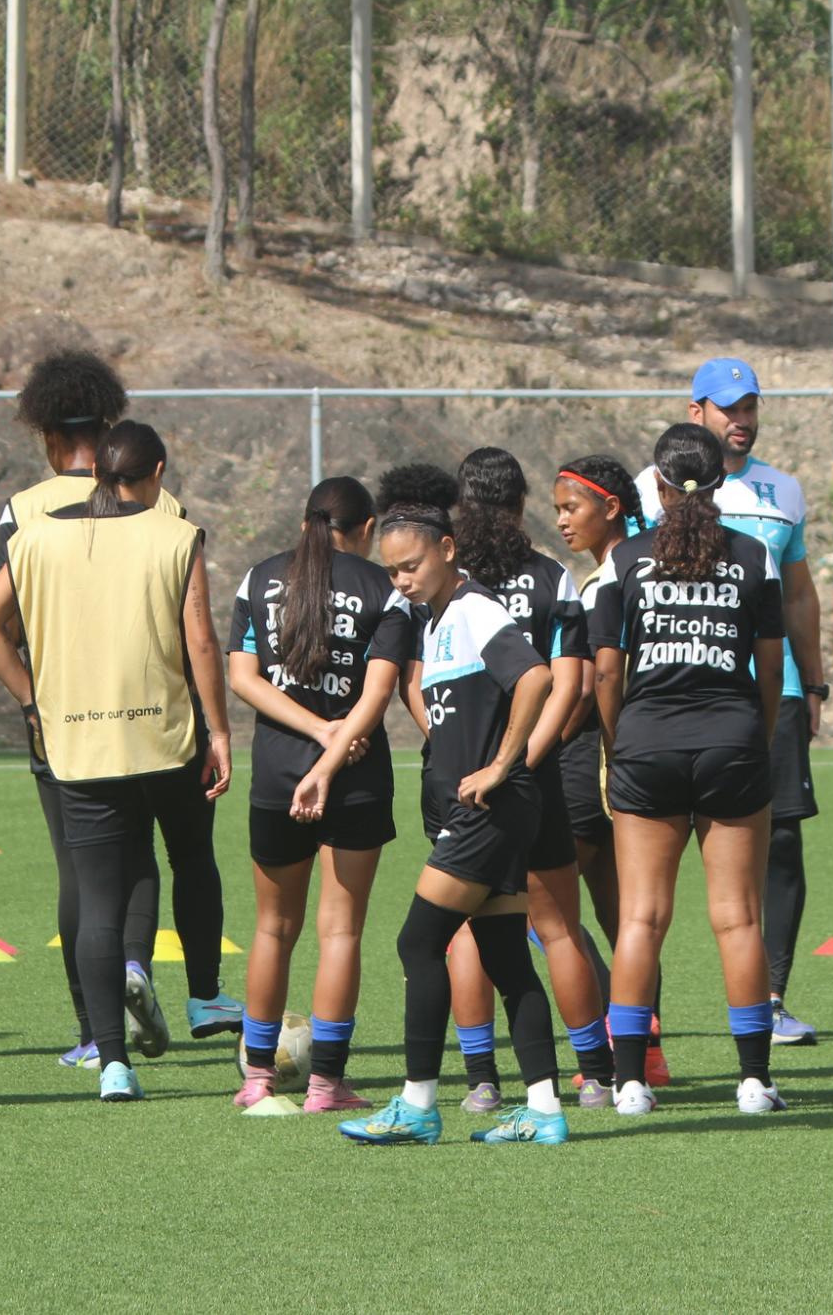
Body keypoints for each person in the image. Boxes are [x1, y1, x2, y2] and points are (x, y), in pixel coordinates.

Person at [0, 422, 234, 1103]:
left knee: (98, 900)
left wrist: (33, 701)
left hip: (80, 743)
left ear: (95, 477)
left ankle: (112, 1061)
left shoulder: (34, 539)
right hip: (166, 737)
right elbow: (200, 638)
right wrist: (222, 731)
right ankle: (204, 995)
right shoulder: (177, 534)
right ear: (158, 472)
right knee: (191, 858)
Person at [336, 502, 568, 1147]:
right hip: (489, 812)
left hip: (490, 811)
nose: (401, 580)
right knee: (504, 959)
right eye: (392, 571)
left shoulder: (472, 609)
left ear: (445, 548)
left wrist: (499, 764)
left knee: (418, 942)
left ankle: (417, 1104)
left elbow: (536, 676)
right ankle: (545, 1110)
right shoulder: (433, 619)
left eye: (410, 565)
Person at [635, 358, 829, 1045]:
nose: (740, 419)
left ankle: (770, 1001)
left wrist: (813, 679)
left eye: (749, 406)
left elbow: (799, 593)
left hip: (763, 700)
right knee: (646, 876)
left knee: (780, 843)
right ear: (697, 413)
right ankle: (643, 1016)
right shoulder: (644, 488)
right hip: (662, 701)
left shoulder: (784, 490)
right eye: (727, 408)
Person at [594, 424, 787, 1117]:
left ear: (659, 485)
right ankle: (754, 1081)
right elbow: (771, 667)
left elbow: (607, 670)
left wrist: (620, 745)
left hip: (647, 745)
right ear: (723, 483)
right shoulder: (754, 556)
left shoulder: (624, 561)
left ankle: (629, 1083)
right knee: (738, 918)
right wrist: (755, 735)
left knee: (640, 917)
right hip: (733, 740)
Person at [440, 448, 615, 1111]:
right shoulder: (553, 577)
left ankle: (482, 1079)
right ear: (519, 507)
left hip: (460, 779)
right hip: (533, 778)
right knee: (560, 927)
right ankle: (595, 1074)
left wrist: (457, 751)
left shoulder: (446, 580)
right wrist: (524, 761)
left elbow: (412, 677)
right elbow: (569, 683)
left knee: (464, 929)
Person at [226, 477, 408, 1112]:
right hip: (355, 774)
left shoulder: (258, 578)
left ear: (306, 523)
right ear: (364, 530)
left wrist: (311, 732)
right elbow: (379, 693)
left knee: (272, 929)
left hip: (277, 772)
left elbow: (242, 678)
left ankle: (256, 1080)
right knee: (341, 933)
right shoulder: (384, 588)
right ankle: (326, 1085)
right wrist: (334, 746)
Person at [552, 453, 671, 1088]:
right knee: (623, 914)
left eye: (572, 508)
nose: (564, 522)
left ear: (612, 509)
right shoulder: (627, 570)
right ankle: (645, 1050)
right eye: (558, 511)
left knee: (555, 909)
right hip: (615, 757)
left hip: (593, 761)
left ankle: (613, 1042)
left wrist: (548, 743)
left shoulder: (608, 580)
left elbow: (595, 683)